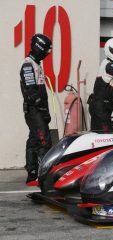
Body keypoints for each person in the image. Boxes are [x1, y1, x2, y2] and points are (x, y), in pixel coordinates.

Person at [20, 33, 52, 185]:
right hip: (34, 110)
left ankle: (32, 174)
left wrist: (45, 111)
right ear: (38, 48)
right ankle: (41, 175)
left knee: (34, 140)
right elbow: (31, 93)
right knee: (43, 141)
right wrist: (42, 110)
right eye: (46, 50)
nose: (47, 53)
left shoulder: (36, 64)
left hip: (38, 110)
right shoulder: (28, 65)